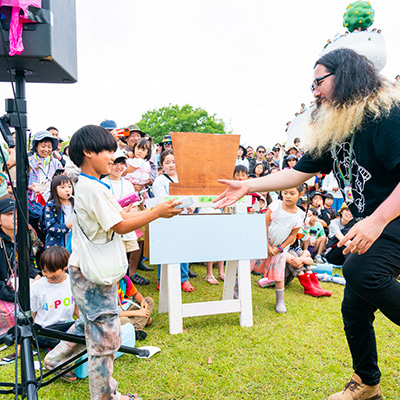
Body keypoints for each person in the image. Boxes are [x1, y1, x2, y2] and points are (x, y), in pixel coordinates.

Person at [214, 48, 400, 400]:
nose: (314, 92)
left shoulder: (386, 115)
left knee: (361, 272)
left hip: (391, 218)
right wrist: (248, 185)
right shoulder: (339, 126)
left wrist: (376, 221)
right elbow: (298, 173)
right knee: (354, 305)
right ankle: (367, 383)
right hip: (374, 222)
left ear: (345, 77)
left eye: (318, 83)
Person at [44, 125, 181, 400]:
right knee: (104, 339)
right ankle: (106, 396)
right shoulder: (92, 188)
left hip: (88, 268)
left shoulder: (92, 184)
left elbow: (119, 217)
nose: (113, 156)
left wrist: (150, 210)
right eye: (108, 150)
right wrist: (156, 213)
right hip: (94, 272)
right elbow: (119, 226)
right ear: (88, 152)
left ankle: (53, 361)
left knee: (89, 322)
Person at [250, 186, 305, 313]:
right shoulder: (276, 205)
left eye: (292, 193)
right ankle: (238, 287)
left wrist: (279, 248)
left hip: (280, 248)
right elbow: (264, 223)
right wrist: (267, 245)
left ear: (300, 194)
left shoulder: (300, 215)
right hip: (263, 241)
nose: (288, 196)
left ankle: (280, 300)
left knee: (279, 274)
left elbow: (292, 236)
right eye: (285, 193)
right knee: (249, 265)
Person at [101, 150, 152, 286]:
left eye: (122, 163)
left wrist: (129, 213)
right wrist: (122, 212)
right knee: (112, 257)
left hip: (127, 224)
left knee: (125, 254)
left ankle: (127, 280)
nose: (119, 167)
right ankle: (113, 283)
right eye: (115, 163)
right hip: (111, 226)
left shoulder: (128, 184)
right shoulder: (102, 183)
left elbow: (134, 205)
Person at [152, 149, 195, 292]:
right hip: (166, 218)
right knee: (165, 248)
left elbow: (193, 196)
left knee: (184, 247)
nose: (171, 165)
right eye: (167, 162)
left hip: (184, 218)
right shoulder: (159, 181)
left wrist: (192, 207)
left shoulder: (184, 179)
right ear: (162, 165)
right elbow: (163, 199)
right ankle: (163, 279)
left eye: (174, 162)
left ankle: (183, 279)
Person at [0, 199, 40, 335]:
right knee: (16, 312)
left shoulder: (24, 235)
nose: (15, 217)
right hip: (5, 291)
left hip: (21, 284)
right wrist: (16, 295)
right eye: (10, 214)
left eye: (17, 213)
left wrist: (37, 275)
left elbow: (29, 264)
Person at [31, 247, 78, 355]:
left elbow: (76, 307)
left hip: (66, 326)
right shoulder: (37, 287)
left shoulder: (72, 282)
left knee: (85, 329)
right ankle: (63, 345)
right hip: (45, 329)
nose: (49, 275)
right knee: (41, 337)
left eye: (53, 271)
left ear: (65, 266)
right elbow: (32, 313)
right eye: (44, 271)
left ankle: (63, 345)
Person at [28, 131, 63, 202]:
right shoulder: (29, 162)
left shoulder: (56, 163)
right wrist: (30, 187)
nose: (46, 150)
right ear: (36, 146)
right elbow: (21, 183)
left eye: (49, 147)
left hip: (51, 200)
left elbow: (62, 181)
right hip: (33, 200)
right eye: (43, 146)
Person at [43, 175, 74, 249]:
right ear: (54, 189)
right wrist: (67, 226)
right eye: (62, 187)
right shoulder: (51, 206)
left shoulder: (77, 204)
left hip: (73, 244)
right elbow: (51, 227)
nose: (67, 190)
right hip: (56, 246)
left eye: (69, 186)